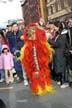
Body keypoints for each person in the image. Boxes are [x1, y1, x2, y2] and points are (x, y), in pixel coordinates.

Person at [21, 23, 54, 95]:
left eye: (34, 34)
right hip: (33, 62)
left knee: (43, 71)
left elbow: (46, 50)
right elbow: (26, 57)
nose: (32, 36)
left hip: (41, 60)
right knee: (35, 73)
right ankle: (38, 88)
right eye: (31, 35)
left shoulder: (41, 43)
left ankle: (44, 86)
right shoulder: (27, 45)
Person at [48, 21, 69, 88]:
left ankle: (65, 82)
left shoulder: (63, 35)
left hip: (61, 53)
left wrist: (49, 40)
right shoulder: (58, 34)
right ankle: (61, 80)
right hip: (57, 53)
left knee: (62, 69)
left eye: (55, 27)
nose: (54, 28)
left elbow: (58, 44)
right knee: (59, 68)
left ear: (58, 27)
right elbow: (55, 42)